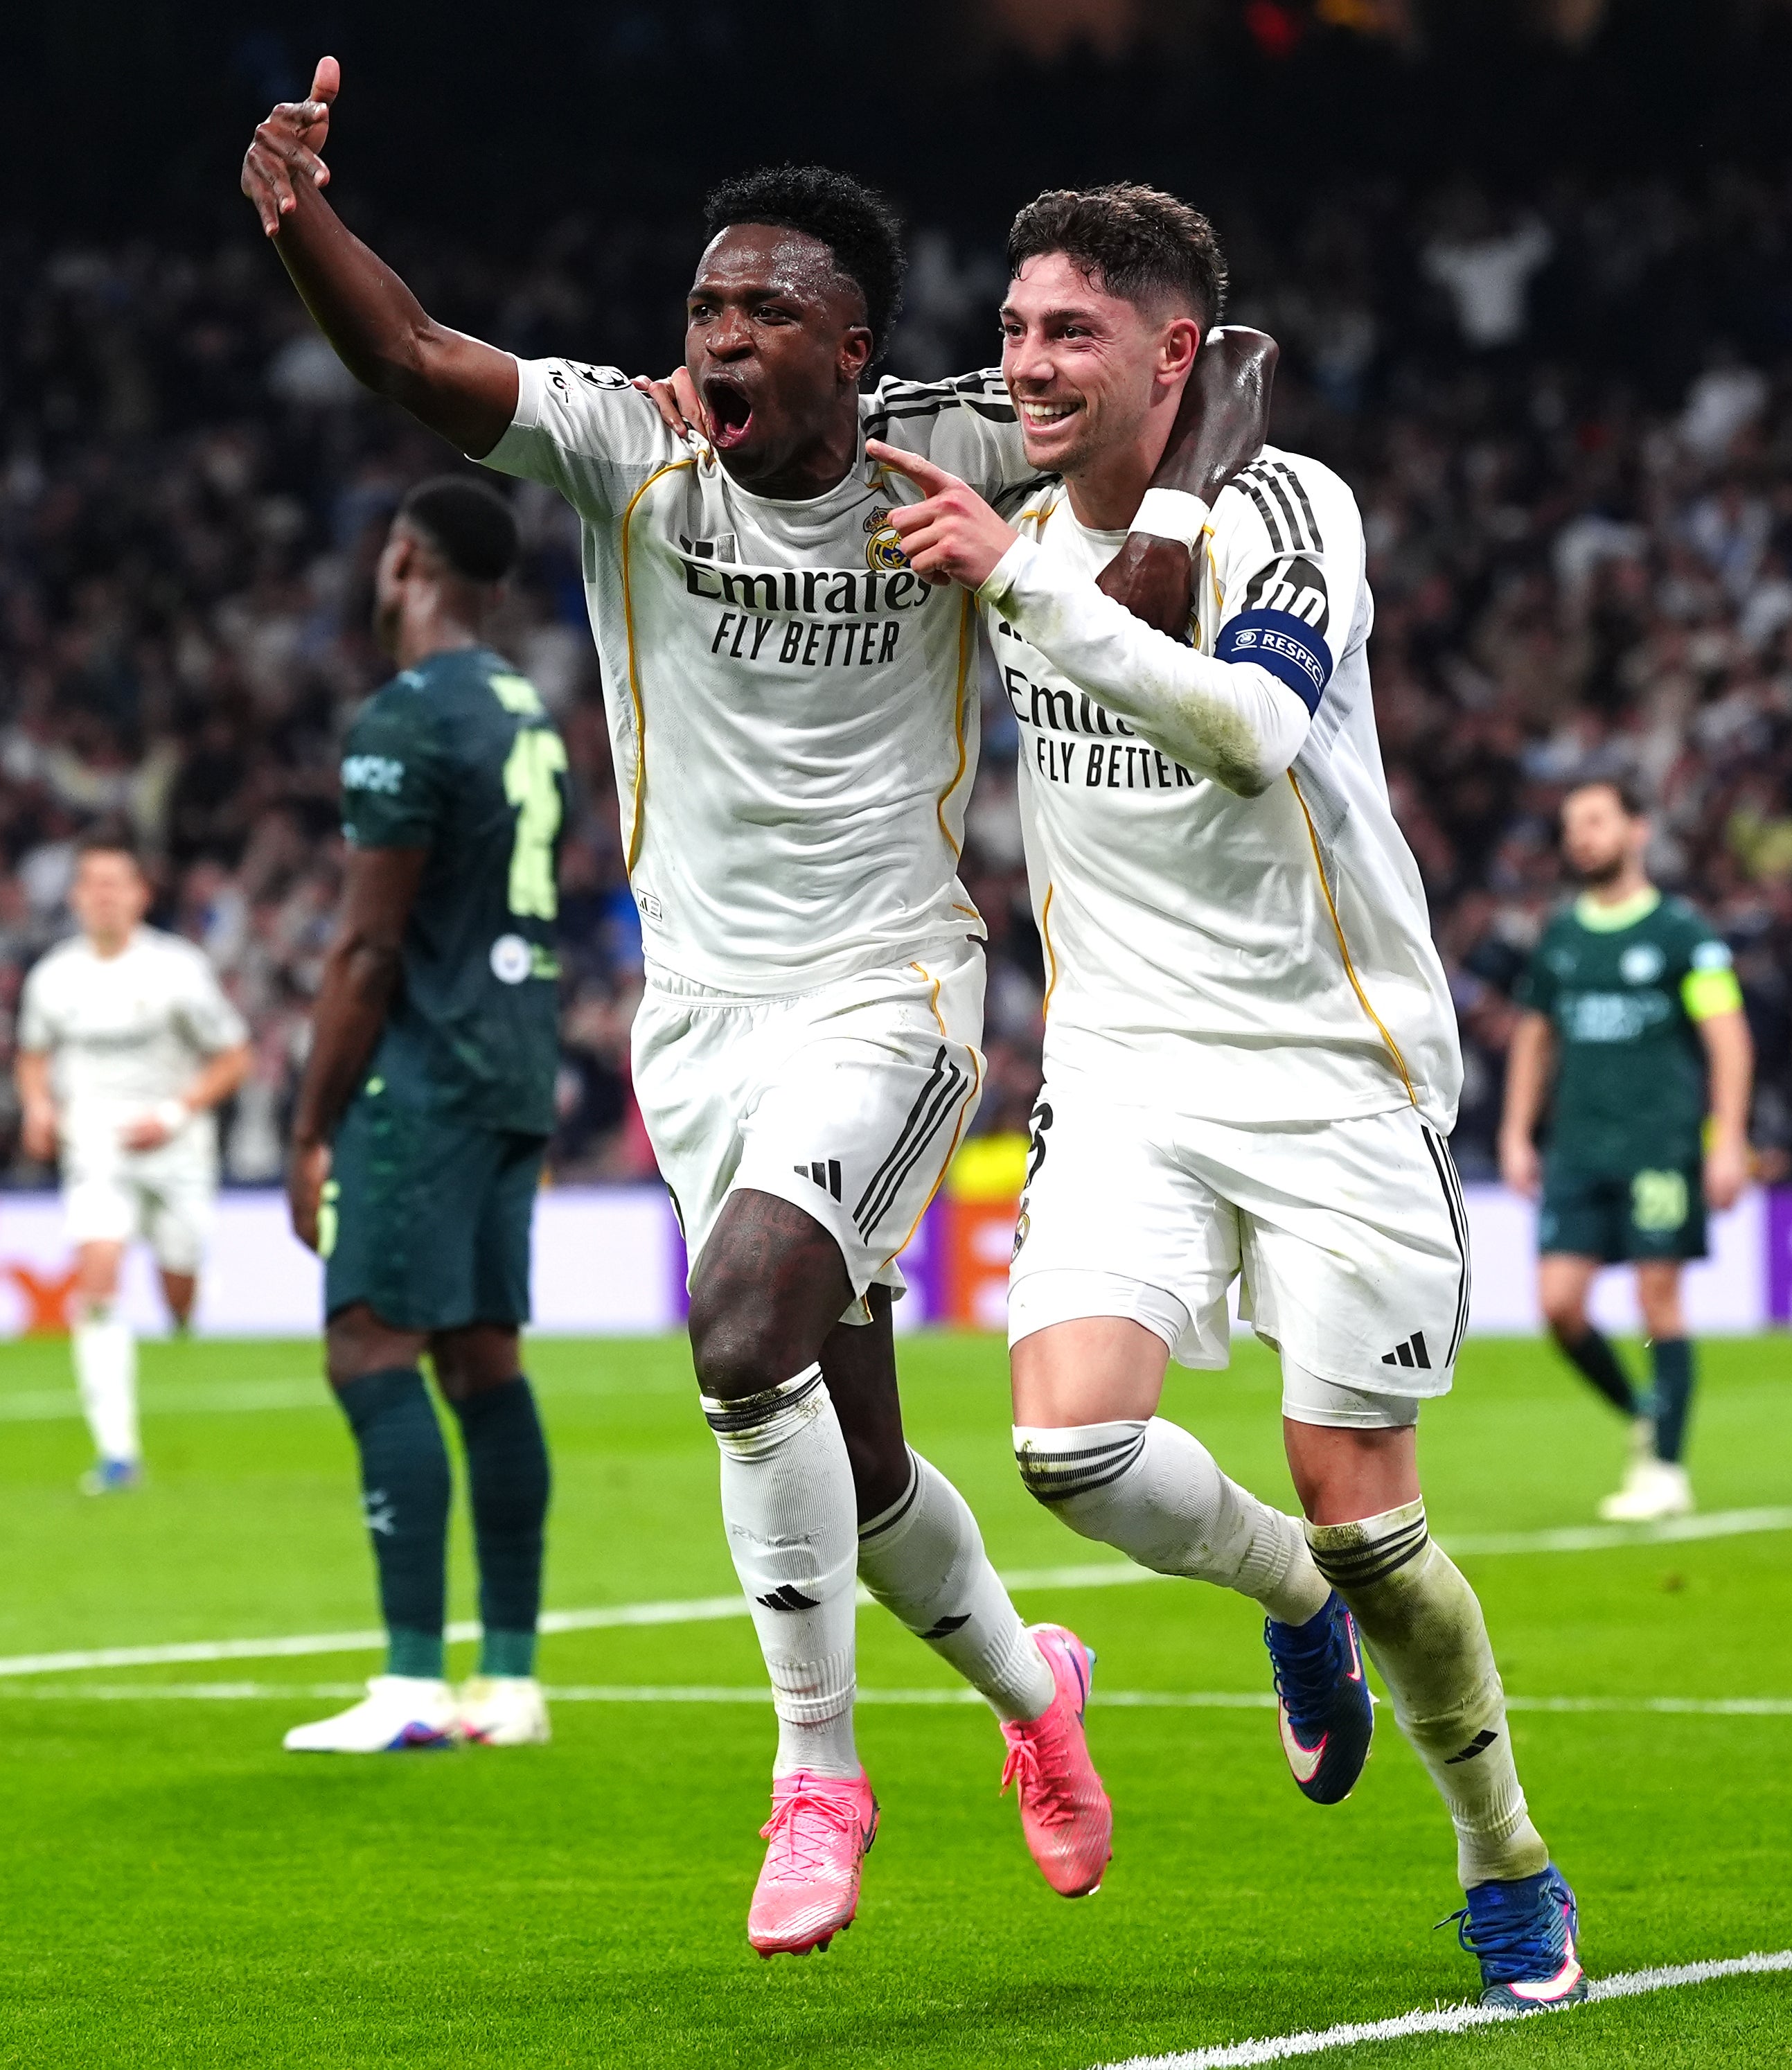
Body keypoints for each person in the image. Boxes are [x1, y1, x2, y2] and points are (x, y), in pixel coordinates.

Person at [238, 60, 1275, 1954]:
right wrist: (300, 212)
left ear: (851, 348)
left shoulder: (955, 453)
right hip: (702, 1020)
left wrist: (1154, 519)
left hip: (892, 986)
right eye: (702, 306)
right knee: (856, 1460)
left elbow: (1203, 396)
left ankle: (817, 1774)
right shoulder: (626, 448)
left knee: (738, 1339)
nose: (713, 338)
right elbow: (408, 355)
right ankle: (1042, 1702)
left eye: (760, 312)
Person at [868, 183, 1587, 2015]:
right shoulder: (1008, 483)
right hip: (1123, 1068)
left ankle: (1502, 1851)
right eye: (1017, 328)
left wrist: (1026, 574)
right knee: (1069, 1450)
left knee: (1371, 1508)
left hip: (1337, 1065)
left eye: (1071, 335)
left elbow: (1252, 731)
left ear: (1170, 351)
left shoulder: (1291, 506)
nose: (1028, 364)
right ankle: (1290, 1604)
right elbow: (823, 407)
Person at [278, 479, 565, 1758]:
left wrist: (307, 1125)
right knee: (483, 1364)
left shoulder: (403, 717)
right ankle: (507, 1679)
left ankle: (406, 1685)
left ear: (402, 559)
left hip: (429, 1070)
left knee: (369, 1349)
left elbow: (363, 949)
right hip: (517, 1060)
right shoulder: (522, 706)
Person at [1498, 781, 1753, 1525]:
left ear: (1635, 830)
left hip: (1658, 1146)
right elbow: (1533, 1037)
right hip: (1576, 1146)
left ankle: (1666, 1468)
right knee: (1558, 1307)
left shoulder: (1681, 934)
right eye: (1572, 824)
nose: (1581, 836)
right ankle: (1646, 1410)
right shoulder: (1561, 936)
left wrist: (1727, 1137)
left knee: (1656, 1298)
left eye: (1596, 821)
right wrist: (1517, 1132)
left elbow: (1726, 1037)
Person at [15, 834, 253, 1493]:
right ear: (75, 897)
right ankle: (117, 1451)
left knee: (177, 1284)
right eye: (91, 883)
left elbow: (235, 1056)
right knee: (96, 1281)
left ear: (141, 896)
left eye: (115, 883)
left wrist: (174, 1115)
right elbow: (32, 1053)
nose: (102, 895)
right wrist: (37, 1107)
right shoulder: (54, 976)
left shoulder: (177, 970)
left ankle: (186, 1300)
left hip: (176, 1150)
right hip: (96, 1150)